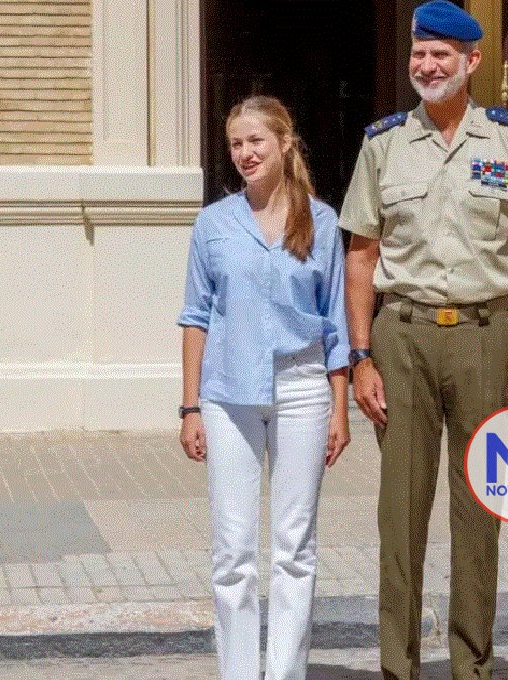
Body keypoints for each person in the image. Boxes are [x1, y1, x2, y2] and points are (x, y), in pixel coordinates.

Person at [337, 1, 508, 678]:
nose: (427, 66)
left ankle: (470, 665)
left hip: (489, 338)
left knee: (479, 514)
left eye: (441, 55)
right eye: (419, 54)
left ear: (473, 62)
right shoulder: (383, 144)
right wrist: (362, 355)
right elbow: (361, 256)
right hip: (401, 338)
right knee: (399, 517)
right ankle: (397, 666)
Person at [177, 95, 351, 680]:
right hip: (227, 394)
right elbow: (195, 317)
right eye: (235, 144)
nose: (245, 153)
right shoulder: (213, 224)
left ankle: (283, 673)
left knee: (294, 549)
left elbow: (337, 321)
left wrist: (340, 407)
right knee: (233, 552)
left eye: (256, 141)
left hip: (303, 387)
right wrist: (189, 406)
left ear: (284, 144)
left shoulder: (321, 223)